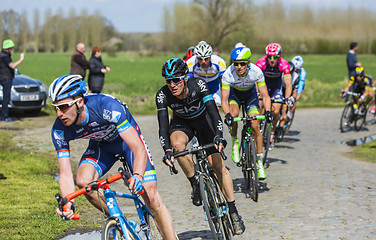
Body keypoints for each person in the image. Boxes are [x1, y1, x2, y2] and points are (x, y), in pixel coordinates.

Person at [49, 74, 177, 240]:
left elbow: (137, 148)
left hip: (128, 144)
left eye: (64, 106)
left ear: (79, 101)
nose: (59, 113)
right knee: (83, 182)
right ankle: (123, 224)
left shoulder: (106, 106)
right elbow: (65, 174)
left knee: (151, 196)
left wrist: (137, 176)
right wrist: (68, 203)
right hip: (102, 147)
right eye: (55, 108)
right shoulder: (59, 130)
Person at [156, 58, 245, 235]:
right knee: (178, 148)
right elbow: (163, 127)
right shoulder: (162, 95)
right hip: (182, 125)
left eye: (176, 80)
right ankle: (195, 183)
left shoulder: (199, 85)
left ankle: (233, 211)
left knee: (218, 167)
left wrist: (219, 136)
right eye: (168, 80)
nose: (172, 84)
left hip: (204, 123)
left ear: (185, 78)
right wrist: (167, 151)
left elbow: (213, 112)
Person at [221, 46, 272, 180]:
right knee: (234, 114)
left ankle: (259, 162)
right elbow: (224, 99)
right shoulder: (227, 74)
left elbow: (265, 95)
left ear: (248, 63)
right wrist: (227, 115)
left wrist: (268, 111)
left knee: (255, 125)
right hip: (235, 96)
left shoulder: (256, 71)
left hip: (251, 96)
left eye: (242, 63)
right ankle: (235, 142)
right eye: (236, 64)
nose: (239, 67)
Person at [256, 43, 292, 150]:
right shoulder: (261, 62)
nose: (272, 60)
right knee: (261, 105)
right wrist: (257, 92)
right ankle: (257, 129)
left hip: (276, 87)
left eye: (275, 57)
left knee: (276, 111)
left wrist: (287, 98)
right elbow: (255, 80)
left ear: (279, 56)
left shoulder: (284, 64)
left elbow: (288, 84)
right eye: (269, 57)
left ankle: (271, 134)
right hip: (264, 85)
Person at [186, 41, 226, 107]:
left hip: (214, 87)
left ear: (210, 56)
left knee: (215, 108)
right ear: (196, 57)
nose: (203, 61)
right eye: (200, 59)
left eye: (206, 58)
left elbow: (225, 81)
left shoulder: (219, 62)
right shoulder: (190, 62)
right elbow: (188, 81)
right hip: (199, 86)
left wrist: (225, 99)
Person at [0, 39, 24, 122]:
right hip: (6, 79)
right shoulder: (5, 56)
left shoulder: (1, 55)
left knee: (5, 98)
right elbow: (12, 66)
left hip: (2, 78)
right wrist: (21, 59)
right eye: (11, 48)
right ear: (8, 48)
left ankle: (2, 116)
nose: (12, 50)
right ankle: (5, 117)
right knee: (6, 98)